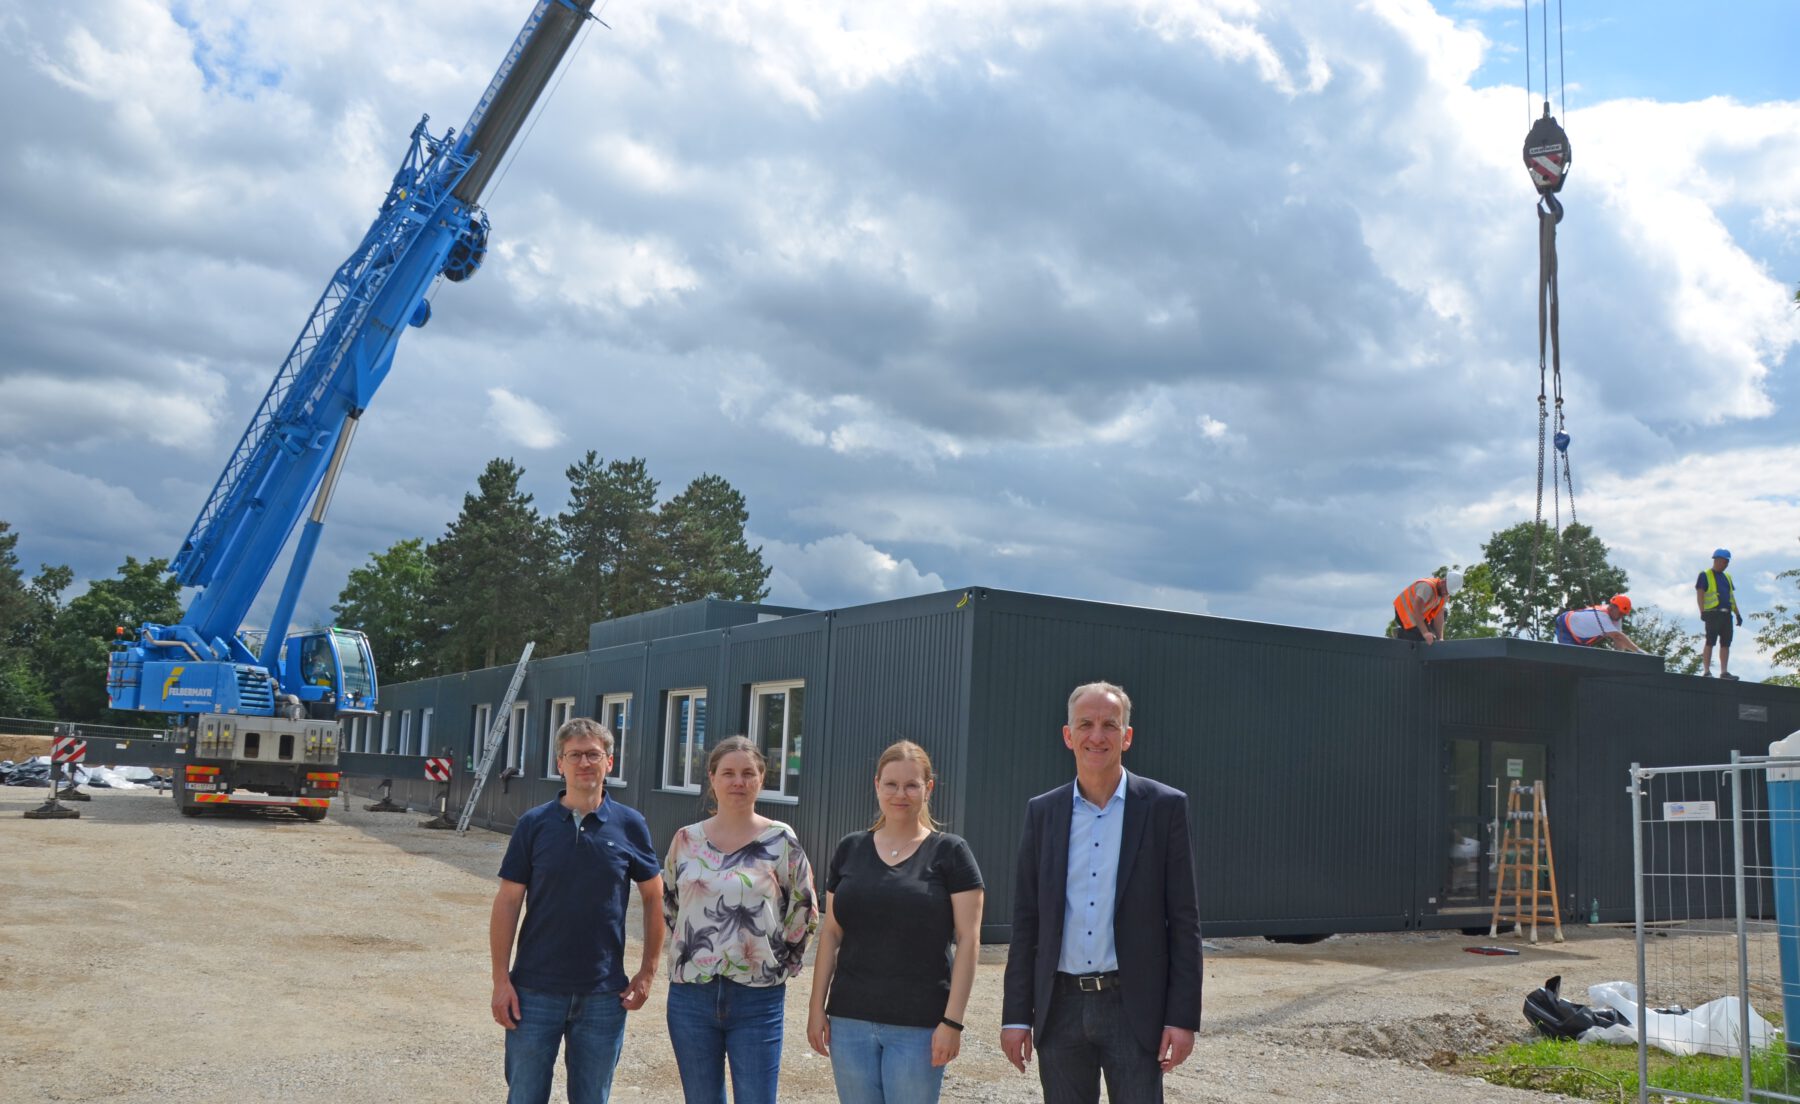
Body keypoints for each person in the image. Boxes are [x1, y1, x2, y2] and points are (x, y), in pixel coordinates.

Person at [1000, 681, 1203, 1104]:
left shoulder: (1164, 808)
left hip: (1134, 1010)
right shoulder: (1043, 813)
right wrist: (1016, 1016)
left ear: (1127, 736)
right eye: (1085, 724)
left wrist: (1182, 1018)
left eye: (1110, 725)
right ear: (1068, 735)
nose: (1097, 736)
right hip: (1059, 1009)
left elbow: (1184, 922)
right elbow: (1027, 921)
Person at [490, 717, 664, 1104]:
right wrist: (501, 980)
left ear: (609, 762)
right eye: (575, 755)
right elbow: (507, 902)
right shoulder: (533, 825)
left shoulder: (630, 825)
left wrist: (648, 972)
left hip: (603, 993)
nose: (584, 762)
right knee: (525, 1096)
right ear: (560, 764)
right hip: (533, 991)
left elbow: (655, 897)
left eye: (593, 754)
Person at [806, 741, 984, 1104]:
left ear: (928, 788)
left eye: (911, 785)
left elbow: (969, 940)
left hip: (919, 1026)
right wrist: (815, 1008)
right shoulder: (850, 848)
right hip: (849, 1022)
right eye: (891, 784)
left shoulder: (951, 852)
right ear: (877, 785)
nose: (900, 794)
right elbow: (832, 933)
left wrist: (952, 1022)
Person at [663, 736, 818, 1104]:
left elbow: (803, 910)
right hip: (691, 995)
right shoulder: (685, 840)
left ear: (761, 778)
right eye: (728, 773)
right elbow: (671, 907)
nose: (738, 782)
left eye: (748, 773)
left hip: (757, 998)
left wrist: (779, 962)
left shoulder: (781, 840)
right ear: (712, 778)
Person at [1697, 548, 1745, 680]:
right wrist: (1702, 611)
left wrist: (1737, 614)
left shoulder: (1727, 577)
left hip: (1726, 615)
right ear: (1717, 560)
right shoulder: (1705, 575)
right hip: (1712, 614)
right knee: (1710, 641)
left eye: (1727, 562)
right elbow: (1700, 594)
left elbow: (1731, 597)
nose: (1726, 565)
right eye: (1725, 562)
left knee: (1726, 643)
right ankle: (1707, 671)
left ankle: (1724, 672)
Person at [1552, 594, 1644, 652]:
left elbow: (1619, 640)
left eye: (1623, 614)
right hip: (1566, 627)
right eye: (1620, 613)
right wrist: (1639, 651)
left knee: (1582, 662)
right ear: (1612, 607)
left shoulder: (1616, 617)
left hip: (1581, 637)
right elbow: (1617, 636)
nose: (1621, 617)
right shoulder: (1602, 617)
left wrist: (1621, 656)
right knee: (1571, 658)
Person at [1393, 571, 1464, 645]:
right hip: (1403, 612)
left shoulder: (1444, 595)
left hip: (1419, 615)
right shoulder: (1427, 587)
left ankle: (1427, 634)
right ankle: (1400, 633)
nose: (1446, 593)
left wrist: (1440, 638)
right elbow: (1416, 611)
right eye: (1446, 590)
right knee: (1422, 639)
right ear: (1443, 582)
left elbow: (1439, 616)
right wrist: (1425, 633)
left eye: (1448, 592)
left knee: (1433, 638)